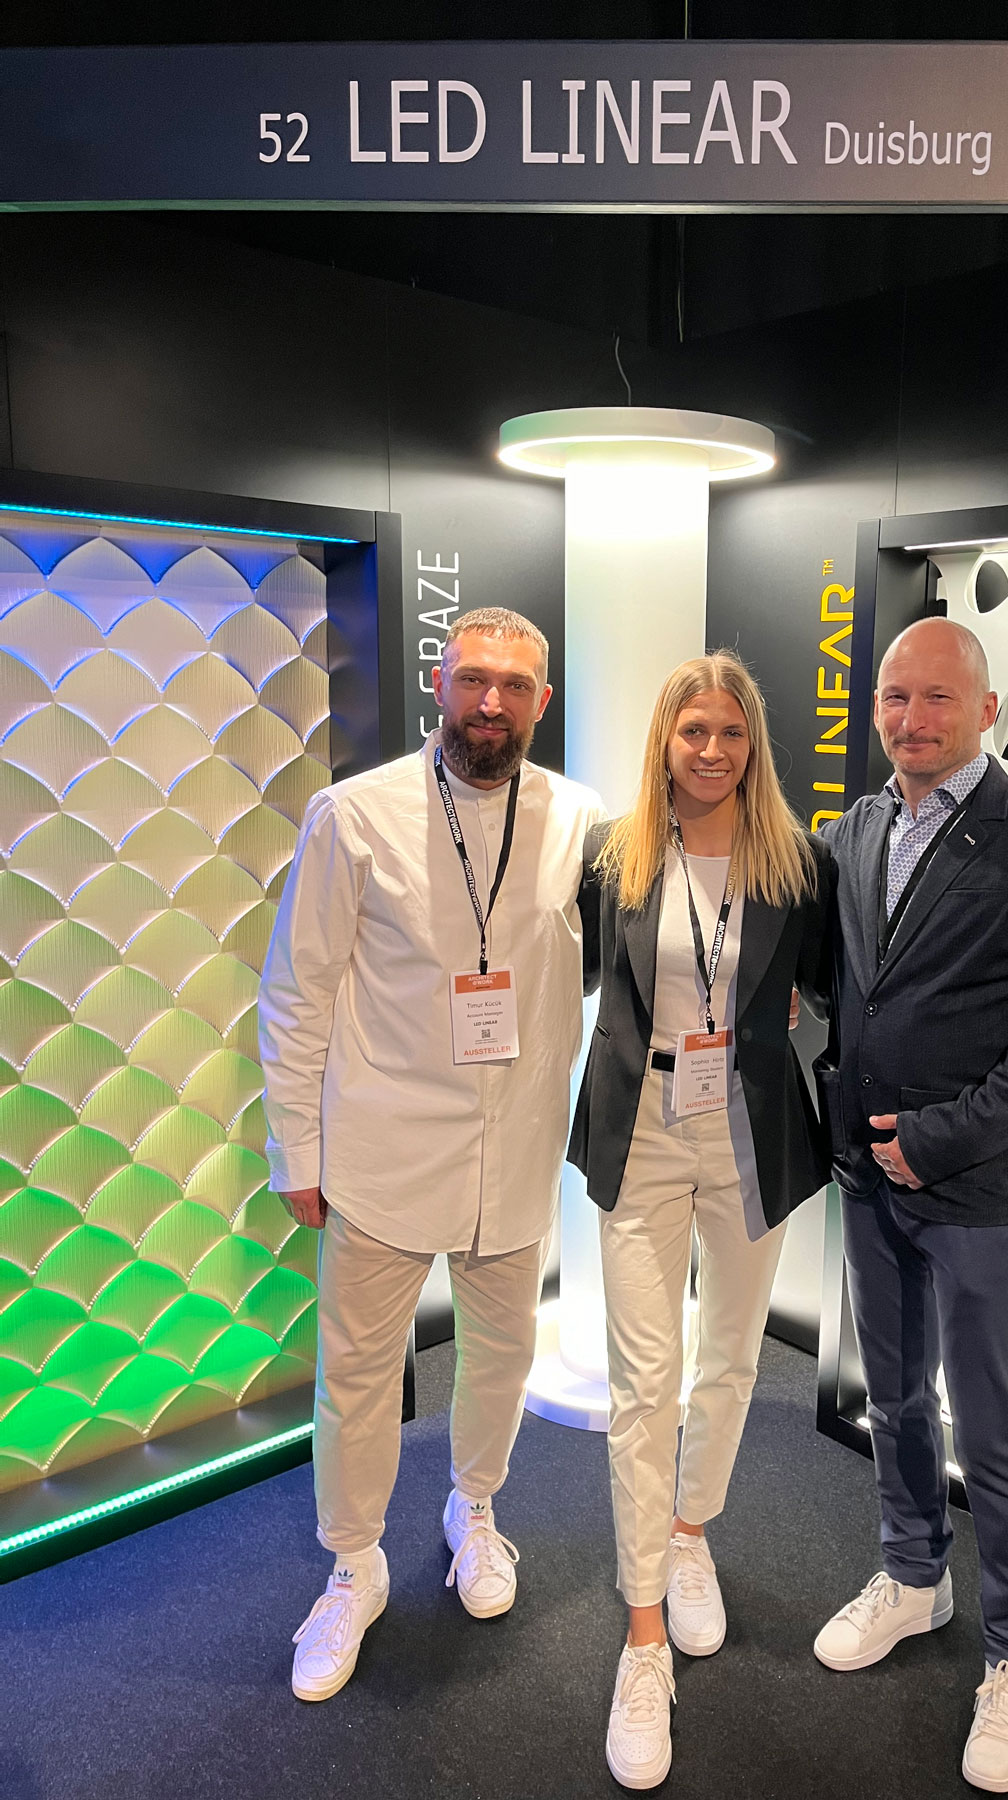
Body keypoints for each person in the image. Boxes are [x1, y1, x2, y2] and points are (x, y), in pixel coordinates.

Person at [259, 606, 603, 1702]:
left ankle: (475, 1509)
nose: (491, 703)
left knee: (501, 1356)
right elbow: (297, 991)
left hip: (515, 1152)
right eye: (472, 680)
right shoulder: (352, 816)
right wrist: (295, 1148)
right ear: (440, 685)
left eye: (514, 685)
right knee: (360, 1376)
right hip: (381, 1150)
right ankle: (352, 1567)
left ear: (542, 702)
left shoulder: (579, 820)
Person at [814, 617, 1008, 1793]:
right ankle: (914, 1576)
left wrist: (937, 1141)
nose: (912, 717)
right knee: (892, 1399)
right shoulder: (855, 830)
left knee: (992, 1429)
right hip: (866, 1178)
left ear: (986, 711)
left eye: (937, 697)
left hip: (976, 1188)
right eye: (895, 696)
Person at [569, 651, 834, 1791]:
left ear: (752, 743)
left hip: (747, 1132)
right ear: (664, 741)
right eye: (693, 731)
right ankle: (642, 1640)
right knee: (644, 1381)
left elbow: (832, 992)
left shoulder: (794, 862)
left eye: (730, 732)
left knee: (729, 1360)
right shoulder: (615, 855)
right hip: (643, 1128)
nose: (712, 750)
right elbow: (565, 979)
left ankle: (689, 1535)